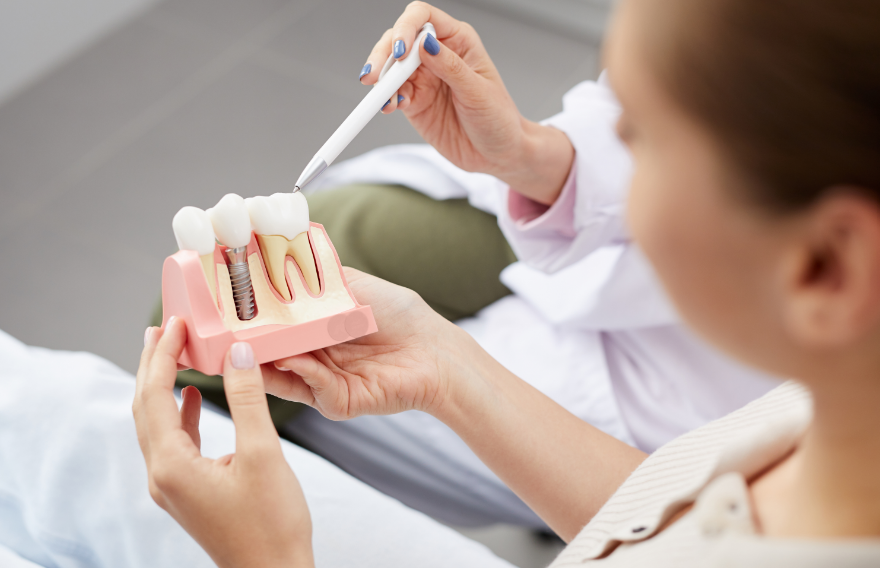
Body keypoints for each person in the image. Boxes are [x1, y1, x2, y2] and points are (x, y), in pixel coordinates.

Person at [133, 0, 880, 565]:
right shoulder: (814, 429)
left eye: (641, 140)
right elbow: (664, 510)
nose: (614, 156)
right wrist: (446, 366)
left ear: (824, 268)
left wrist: (271, 559)